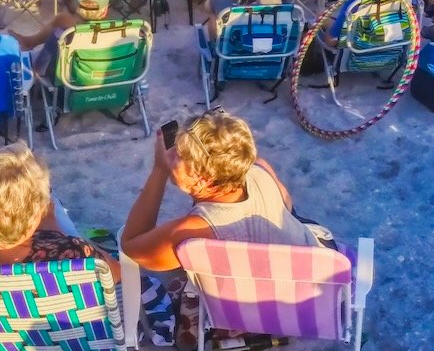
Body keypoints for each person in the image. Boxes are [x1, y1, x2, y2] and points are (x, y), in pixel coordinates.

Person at [121, 110, 324, 272]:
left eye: (178, 154)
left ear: (203, 179)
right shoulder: (261, 170)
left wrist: (160, 170)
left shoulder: (190, 232)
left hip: (241, 310)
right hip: (310, 273)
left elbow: (131, 247)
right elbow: (287, 207)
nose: (170, 153)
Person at [0, 143, 116, 277]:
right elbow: (119, 274)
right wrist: (60, 233)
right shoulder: (71, 253)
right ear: (37, 218)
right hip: (56, 333)